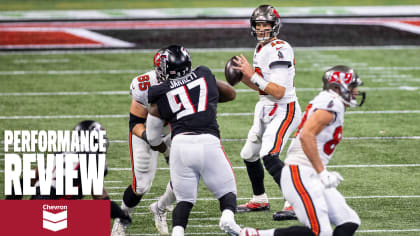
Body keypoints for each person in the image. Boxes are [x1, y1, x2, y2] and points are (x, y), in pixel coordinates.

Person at [241, 65, 366, 236]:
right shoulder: (332, 103)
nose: (355, 91)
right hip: (299, 172)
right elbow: (307, 135)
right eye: (352, 86)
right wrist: (322, 172)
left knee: (349, 220)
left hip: (309, 173)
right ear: (337, 87)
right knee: (320, 232)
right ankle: (253, 235)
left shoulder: (331, 101)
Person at [145, 45, 240, 236]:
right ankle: (228, 217)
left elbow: (153, 137)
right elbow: (230, 93)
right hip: (209, 141)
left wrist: (166, 151)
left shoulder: (159, 92)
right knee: (227, 192)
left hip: (181, 144)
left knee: (185, 201)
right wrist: (206, 101)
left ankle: (178, 232)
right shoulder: (204, 73)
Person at [232, 4, 301, 219]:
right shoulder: (261, 47)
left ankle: (295, 202)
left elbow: (279, 92)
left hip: (284, 109)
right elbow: (262, 86)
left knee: (269, 154)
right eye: (258, 24)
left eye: (266, 24)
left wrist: (252, 75)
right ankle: (259, 199)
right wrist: (243, 77)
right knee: (249, 155)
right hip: (265, 107)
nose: (262, 29)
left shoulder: (280, 48)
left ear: (275, 26)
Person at [5, 120, 132, 228]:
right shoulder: (94, 161)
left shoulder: (59, 155)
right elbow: (102, 201)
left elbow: (20, 183)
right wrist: (122, 214)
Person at [111, 48, 176, 236]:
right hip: (146, 134)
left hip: (173, 132)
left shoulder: (190, 81)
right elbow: (135, 123)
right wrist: (153, 140)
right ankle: (122, 219)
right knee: (141, 186)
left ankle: (160, 208)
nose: (179, 75)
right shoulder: (144, 84)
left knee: (185, 179)